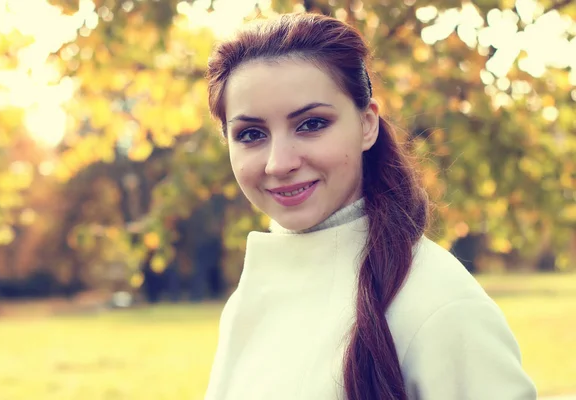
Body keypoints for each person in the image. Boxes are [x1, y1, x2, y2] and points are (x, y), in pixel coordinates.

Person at [203, 12, 537, 400]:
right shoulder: (246, 302)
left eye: (311, 124)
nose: (279, 162)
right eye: (251, 134)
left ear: (367, 124)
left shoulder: (438, 302)